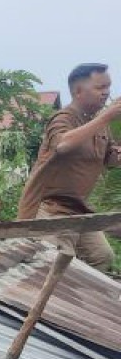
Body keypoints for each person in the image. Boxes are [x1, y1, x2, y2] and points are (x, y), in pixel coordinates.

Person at [17, 63, 121, 271]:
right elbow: (63, 145)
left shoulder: (100, 125)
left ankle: (80, 302)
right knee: (51, 262)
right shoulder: (63, 118)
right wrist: (107, 116)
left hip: (78, 210)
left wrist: (115, 155)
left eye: (108, 87)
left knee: (101, 257)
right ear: (78, 91)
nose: (106, 93)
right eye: (100, 87)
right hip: (48, 207)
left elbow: (109, 159)